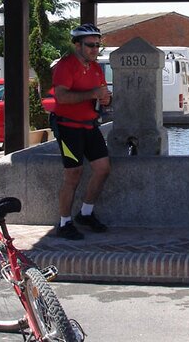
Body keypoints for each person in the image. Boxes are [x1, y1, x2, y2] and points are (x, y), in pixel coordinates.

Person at [51, 23, 112, 240]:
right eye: (90, 45)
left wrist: (105, 98)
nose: (95, 49)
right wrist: (92, 93)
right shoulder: (65, 66)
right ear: (77, 45)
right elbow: (62, 97)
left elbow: (101, 94)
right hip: (68, 128)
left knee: (103, 168)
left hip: (89, 125)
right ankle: (64, 222)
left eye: (98, 45)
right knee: (72, 175)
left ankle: (85, 213)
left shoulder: (95, 68)